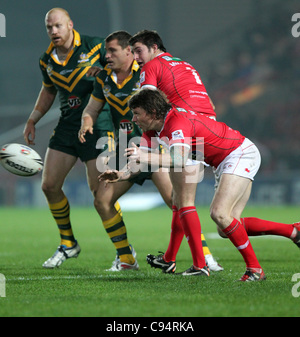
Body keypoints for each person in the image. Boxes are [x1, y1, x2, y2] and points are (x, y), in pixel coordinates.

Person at [100, 89, 300, 281]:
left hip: (239, 153)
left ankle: (255, 269)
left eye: (136, 114)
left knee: (219, 214)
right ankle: (293, 231)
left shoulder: (177, 122)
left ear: (152, 113)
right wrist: (120, 174)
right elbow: (140, 161)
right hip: (224, 161)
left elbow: (179, 159)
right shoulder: (152, 130)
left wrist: (146, 155)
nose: (133, 119)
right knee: (226, 226)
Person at [80, 30, 221, 272]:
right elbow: (92, 109)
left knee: (177, 202)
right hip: (129, 146)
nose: (108, 56)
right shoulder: (104, 79)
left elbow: (165, 101)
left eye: (114, 51)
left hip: (157, 143)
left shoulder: (148, 70)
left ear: (129, 51)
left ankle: (204, 257)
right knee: (102, 200)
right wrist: (87, 120)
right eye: (106, 52)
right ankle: (126, 258)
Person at [23, 8, 121, 269]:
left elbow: (123, 67)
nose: (53, 31)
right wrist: (33, 118)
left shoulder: (96, 46)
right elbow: (48, 91)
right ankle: (68, 244)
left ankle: (124, 252)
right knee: (49, 185)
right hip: (68, 124)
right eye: (49, 28)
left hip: (99, 123)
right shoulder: (47, 60)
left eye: (57, 26)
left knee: (101, 193)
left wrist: (106, 76)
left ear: (70, 25)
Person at [129, 30, 223, 272]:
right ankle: (170, 258)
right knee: (178, 199)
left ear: (154, 47)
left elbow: (145, 99)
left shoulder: (151, 66)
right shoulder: (184, 64)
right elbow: (209, 103)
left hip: (183, 130)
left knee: (185, 202)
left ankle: (202, 263)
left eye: (138, 51)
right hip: (204, 128)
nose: (136, 57)